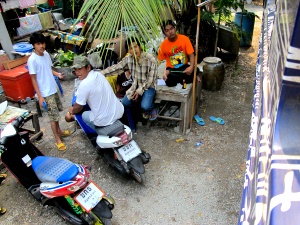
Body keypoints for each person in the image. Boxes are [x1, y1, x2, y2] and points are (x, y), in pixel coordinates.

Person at [28, 32, 71, 151]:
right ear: (33, 45)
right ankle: (57, 139)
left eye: (42, 43)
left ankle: (60, 131)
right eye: (38, 44)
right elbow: (33, 79)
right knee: (53, 117)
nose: (41, 46)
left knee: (56, 115)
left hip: (53, 89)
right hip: (45, 93)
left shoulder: (46, 54)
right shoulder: (32, 60)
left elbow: (48, 69)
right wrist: (40, 97)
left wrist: (57, 74)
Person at [101, 39, 158, 120]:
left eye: (135, 47)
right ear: (128, 51)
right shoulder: (129, 59)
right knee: (124, 103)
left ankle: (152, 107)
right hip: (135, 85)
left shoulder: (150, 58)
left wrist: (139, 91)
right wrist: (100, 73)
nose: (134, 50)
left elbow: (150, 80)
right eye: (131, 48)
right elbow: (116, 68)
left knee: (145, 106)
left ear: (140, 47)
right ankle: (139, 109)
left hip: (149, 86)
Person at [68, 56, 124, 131]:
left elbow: (78, 107)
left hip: (104, 120)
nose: (77, 72)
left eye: (80, 69)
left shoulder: (84, 84)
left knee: (83, 115)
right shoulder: (99, 74)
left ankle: (96, 133)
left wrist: (72, 110)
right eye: (75, 70)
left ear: (88, 67)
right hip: (119, 110)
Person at [158, 20, 200, 87]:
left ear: (175, 28)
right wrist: (165, 72)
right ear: (164, 33)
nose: (170, 32)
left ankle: (183, 78)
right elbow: (160, 60)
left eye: (171, 28)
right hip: (172, 70)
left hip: (183, 68)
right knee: (169, 82)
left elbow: (191, 55)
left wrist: (191, 67)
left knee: (196, 70)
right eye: (167, 30)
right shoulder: (163, 46)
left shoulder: (185, 39)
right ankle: (186, 79)